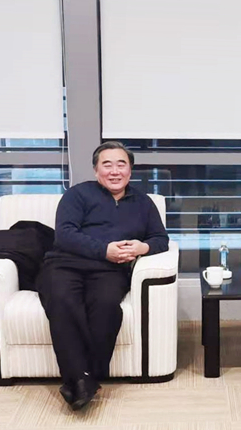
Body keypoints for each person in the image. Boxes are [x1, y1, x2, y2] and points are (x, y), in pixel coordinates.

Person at [37, 142, 169, 410]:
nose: (114, 171)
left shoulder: (143, 203)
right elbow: (65, 234)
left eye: (121, 164)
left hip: (110, 271)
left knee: (106, 306)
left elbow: (160, 238)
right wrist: (104, 250)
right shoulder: (77, 195)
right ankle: (80, 380)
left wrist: (143, 247)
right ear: (96, 170)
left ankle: (88, 374)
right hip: (65, 264)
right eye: (107, 165)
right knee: (63, 301)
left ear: (130, 170)